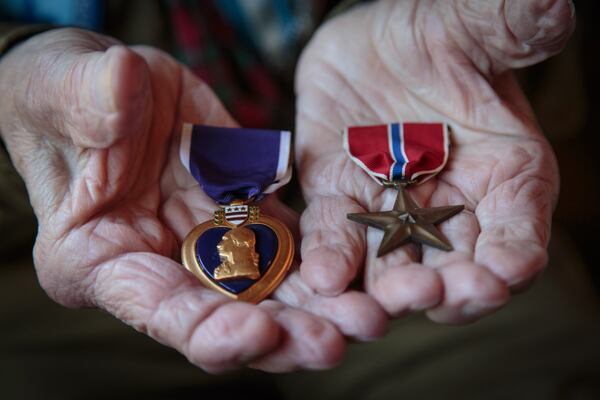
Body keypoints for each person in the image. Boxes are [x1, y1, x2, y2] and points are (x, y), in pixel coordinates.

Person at [0, 0, 577, 374]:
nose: (234, 247)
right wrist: (10, 73)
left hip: (384, 207)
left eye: (234, 246)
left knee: (528, 361)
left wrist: (403, 17)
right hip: (72, 234)